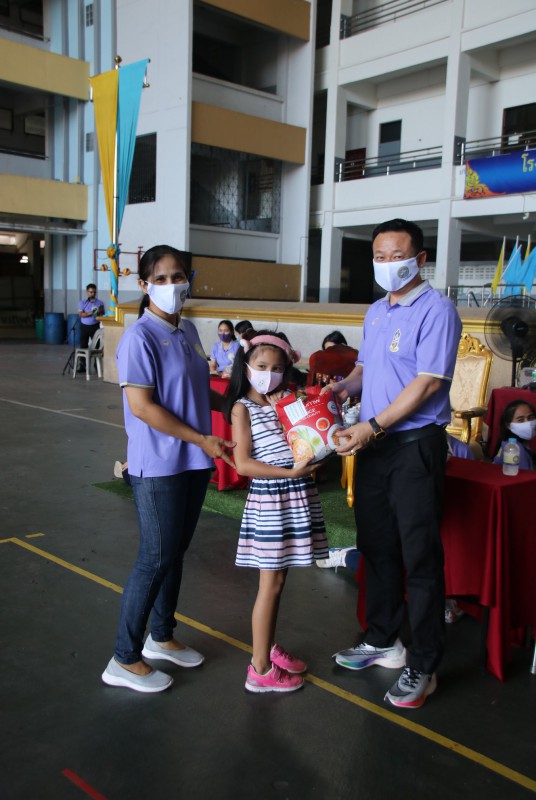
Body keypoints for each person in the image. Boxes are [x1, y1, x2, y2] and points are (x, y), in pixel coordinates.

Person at [327, 218, 462, 709]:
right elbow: (367, 368)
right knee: (377, 545)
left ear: (420, 259)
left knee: (419, 555)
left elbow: (428, 383)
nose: (388, 265)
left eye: (398, 256)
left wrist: (372, 425)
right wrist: (342, 388)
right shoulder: (377, 310)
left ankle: (424, 664)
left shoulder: (437, 310)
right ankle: (383, 639)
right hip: (375, 446)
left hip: (413, 446)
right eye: (380, 257)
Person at [102, 244, 235, 694]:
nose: (171, 285)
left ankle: (161, 636)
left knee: (174, 552)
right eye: (160, 278)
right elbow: (142, 406)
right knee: (154, 558)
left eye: (178, 276)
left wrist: (238, 405)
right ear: (144, 285)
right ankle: (124, 658)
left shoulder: (188, 330)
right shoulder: (139, 337)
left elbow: (197, 391)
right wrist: (202, 439)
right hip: (159, 463)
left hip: (193, 461)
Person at [222, 329, 329, 693]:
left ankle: (266, 647)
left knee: (279, 582)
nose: (270, 374)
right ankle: (260, 669)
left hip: (295, 493)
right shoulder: (242, 407)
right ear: (246, 366)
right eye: (262, 366)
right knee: (269, 585)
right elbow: (243, 464)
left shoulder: (286, 402)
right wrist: (290, 473)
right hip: (272, 498)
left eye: (278, 368)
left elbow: (308, 437)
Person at [492, 400, 536, 470]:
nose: (528, 423)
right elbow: (525, 475)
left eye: (531, 417)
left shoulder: (509, 443)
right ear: (509, 425)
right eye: (521, 420)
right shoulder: (515, 449)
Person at [78, 283, 105, 348]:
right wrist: (92, 312)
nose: (93, 294)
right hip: (84, 326)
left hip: (95, 326)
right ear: (87, 292)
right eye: (91, 292)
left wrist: (100, 312)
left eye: (94, 292)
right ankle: (84, 355)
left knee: (97, 345)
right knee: (83, 345)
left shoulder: (100, 303)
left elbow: (103, 314)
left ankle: (96, 355)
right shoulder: (83, 302)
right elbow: (81, 314)